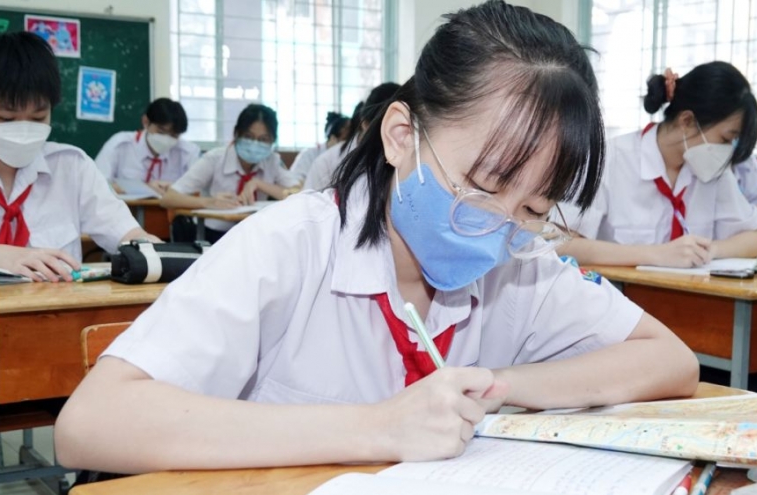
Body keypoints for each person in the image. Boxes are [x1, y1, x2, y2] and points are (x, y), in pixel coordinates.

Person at [55, 0, 698, 473]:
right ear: (401, 136)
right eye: (482, 185)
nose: (500, 226)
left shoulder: (523, 263)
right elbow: (91, 424)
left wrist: (495, 383)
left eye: (534, 206)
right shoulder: (288, 246)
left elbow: (670, 361)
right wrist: (377, 428)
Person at [557, 62, 757, 268]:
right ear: (686, 121)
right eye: (725, 139)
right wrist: (657, 255)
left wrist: (710, 250)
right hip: (616, 290)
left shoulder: (713, 170)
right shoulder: (609, 159)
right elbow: (561, 244)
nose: (726, 151)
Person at [0, 32, 159, 282]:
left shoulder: (71, 166)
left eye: (38, 118)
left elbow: (126, 233)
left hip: (59, 305)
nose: (25, 130)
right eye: (7, 119)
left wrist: (154, 250)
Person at [160, 103, 300, 243]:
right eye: (248, 136)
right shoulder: (215, 158)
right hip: (213, 235)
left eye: (263, 139)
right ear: (236, 134)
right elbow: (168, 198)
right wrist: (210, 202)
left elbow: (299, 193)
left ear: (273, 141)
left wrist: (258, 183)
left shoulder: (272, 160)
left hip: (256, 235)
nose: (255, 144)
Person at [303, 83, 400, 191]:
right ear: (365, 124)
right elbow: (309, 200)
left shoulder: (403, 161)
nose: (392, 139)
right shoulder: (327, 164)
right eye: (384, 129)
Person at [95, 98, 200, 195]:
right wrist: (145, 188)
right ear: (146, 122)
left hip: (170, 209)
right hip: (125, 208)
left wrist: (175, 189)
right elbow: (96, 185)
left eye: (174, 136)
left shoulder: (188, 152)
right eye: (161, 132)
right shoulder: (120, 145)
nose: (166, 139)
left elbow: (198, 191)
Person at [288, 111, 350, 183]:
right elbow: (295, 182)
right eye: (344, 140)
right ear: (333, 138)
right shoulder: (309, 154)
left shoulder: (347, 155)